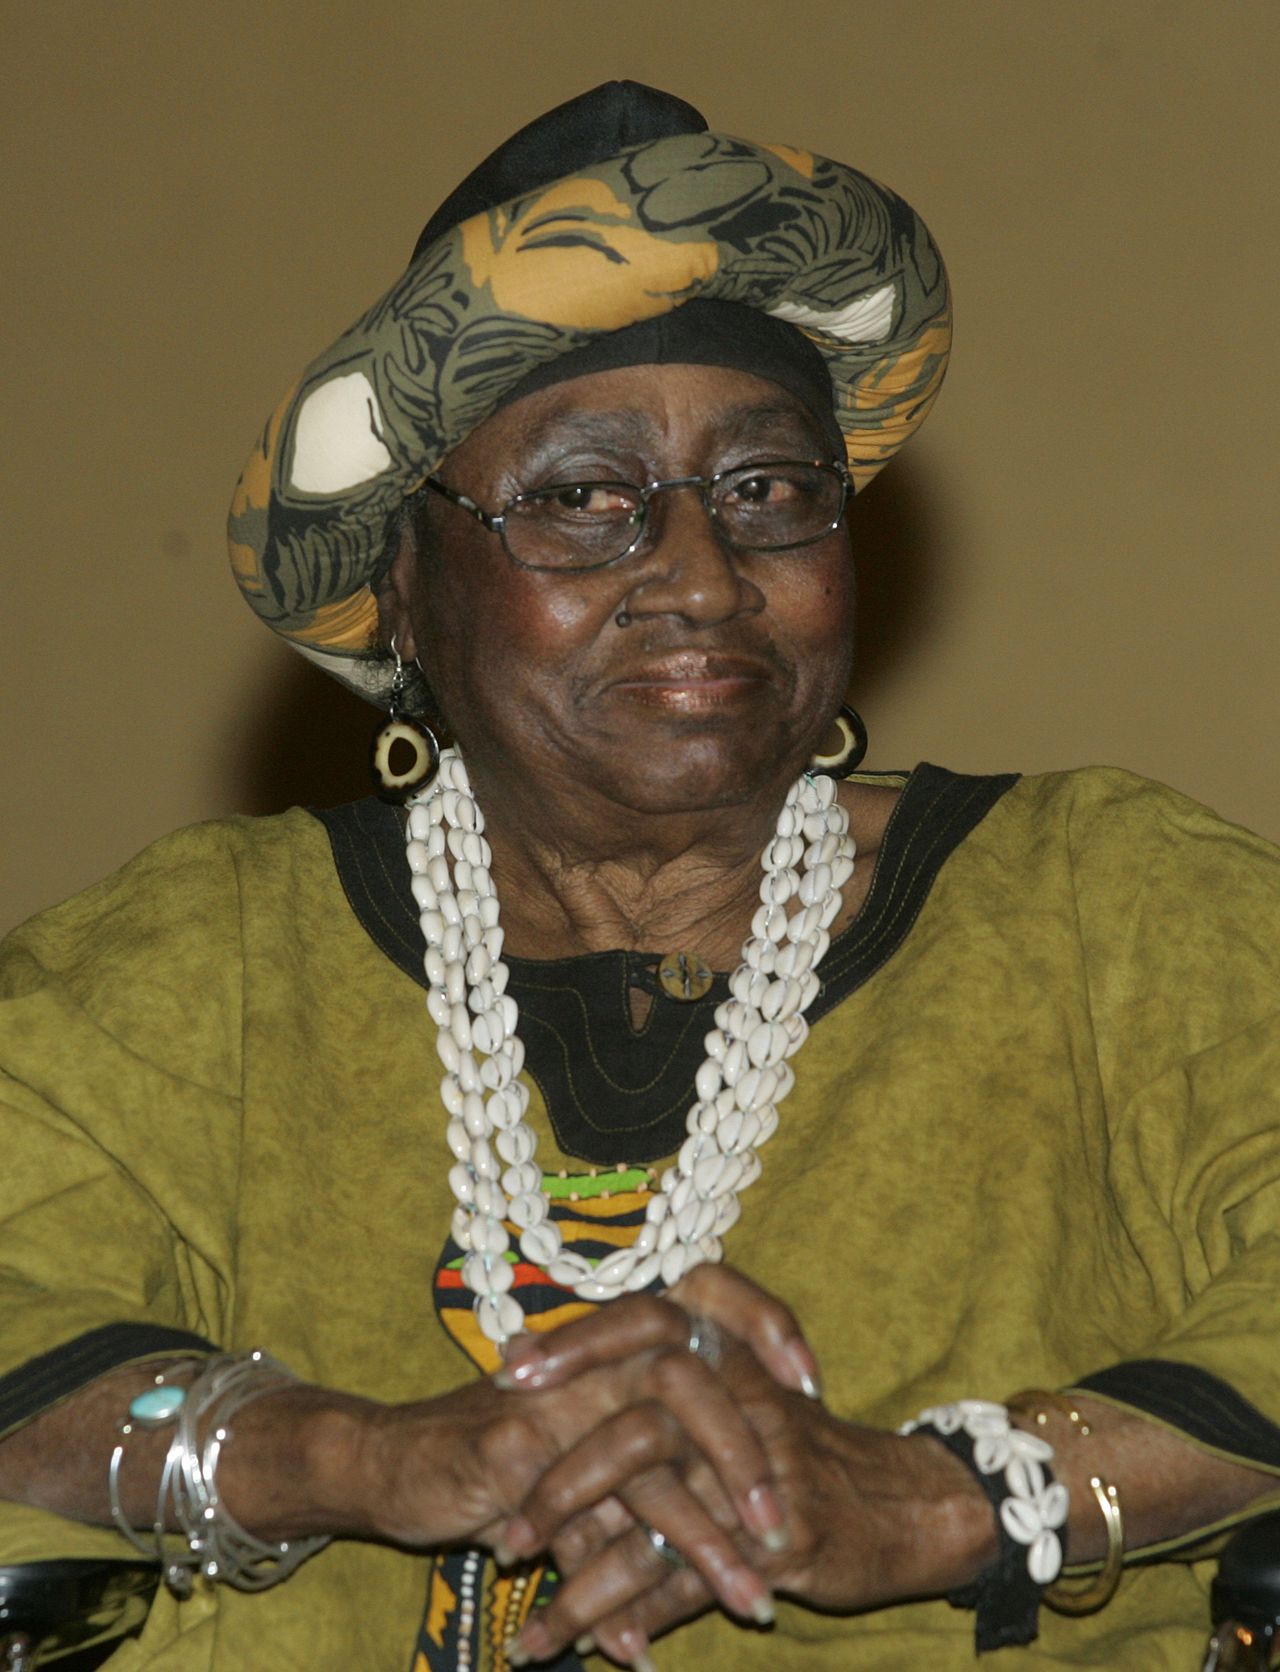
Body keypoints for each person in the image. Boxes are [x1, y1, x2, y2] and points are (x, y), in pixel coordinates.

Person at [1, 79, 1279, 1672]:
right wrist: (355, 1457)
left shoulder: (1110, 910)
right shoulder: (196, 968)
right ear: (405, 590)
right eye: (581, 501)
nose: (696, 571)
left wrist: (955, 1498)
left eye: (768, 492)